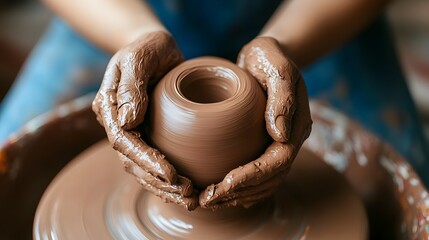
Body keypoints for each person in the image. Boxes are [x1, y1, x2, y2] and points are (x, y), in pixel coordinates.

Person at [0, 0, 427, 209]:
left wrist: (286, 44)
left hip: (315, 16)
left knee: (400, 185)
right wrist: (133, 35)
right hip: (118, 12)